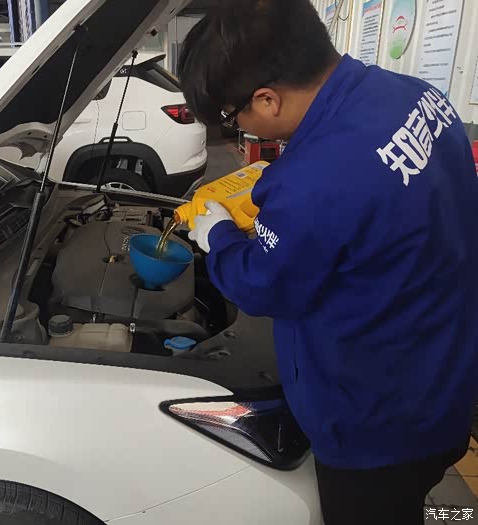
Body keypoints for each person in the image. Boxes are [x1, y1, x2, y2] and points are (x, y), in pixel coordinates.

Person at [177, 1, 477, 524]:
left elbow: (262, 285)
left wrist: (217, 234)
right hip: (443, 376)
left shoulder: (314, 181)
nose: (240, 128)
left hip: (379, 426)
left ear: (267, 99)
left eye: (232, 116)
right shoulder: (414, 94)